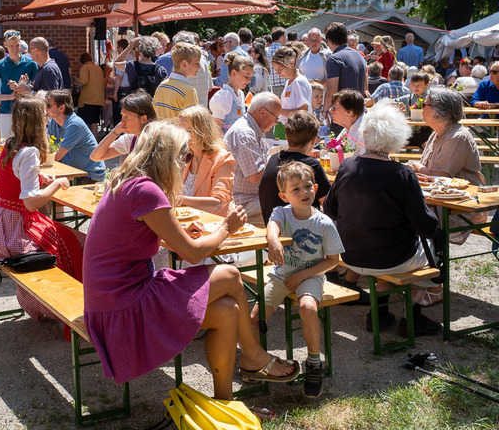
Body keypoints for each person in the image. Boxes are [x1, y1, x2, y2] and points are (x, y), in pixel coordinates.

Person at [82, 121, 298, 401]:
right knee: (231, 275)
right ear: (167, 156)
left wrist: (180, 231)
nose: (186, 162)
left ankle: (225, 400)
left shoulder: (126, 181)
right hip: (124, 306)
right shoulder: (146, 190)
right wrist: (226, 228)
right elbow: (193, 254)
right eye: (184, 156)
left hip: (109, 302)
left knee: (228, 310)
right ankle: (253, 357)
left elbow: (137, 232)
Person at [324, 101, 442, 336]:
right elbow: (424, 225)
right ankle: (412, 316)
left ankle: (379, 314)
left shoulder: (347, 166)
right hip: (391, 257)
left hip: (351, 254)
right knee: (437, 242)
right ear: (397, 138)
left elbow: (330, 209)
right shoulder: (402, 174)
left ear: (365, 134)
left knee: (388, 246)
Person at [0, 96, 84, 323]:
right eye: (43, 115)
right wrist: (57, 183)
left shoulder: (11, 143)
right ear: (36, 120)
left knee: (66, 237)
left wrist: (39, 176)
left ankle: (52, 304)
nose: (46, 119)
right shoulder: (29, 152)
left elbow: (12, 176)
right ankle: (68, 308)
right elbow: (31, 203)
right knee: (75, 242)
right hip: (15, 230)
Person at [251, 162, 342, 398]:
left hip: (310, 275)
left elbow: (333, 260)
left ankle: (314, 362)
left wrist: (302, 275)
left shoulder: (323, 223)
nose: (304, 192)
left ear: (316, 188)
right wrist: (273, 239)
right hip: (282, 274)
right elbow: (272, 226)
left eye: (308, 186)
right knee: (255, 317)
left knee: (308, 307)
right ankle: (255, 360)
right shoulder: (281, 213)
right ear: (284, 196)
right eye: (296, 189)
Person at [409, 88, 486, 245]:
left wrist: (416, 167)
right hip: (438, 201)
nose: (420, 107)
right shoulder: (436, 134)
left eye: (425, 104)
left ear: (440, 110)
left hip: (461, 207)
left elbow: (441, 176)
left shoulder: (458, 137)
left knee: (402, 214)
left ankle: (427, 255)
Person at [259, 111, 331, 224]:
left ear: (287, 137)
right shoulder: (311, 165)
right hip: (303, 230)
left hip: (273, 226)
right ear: (313, 140)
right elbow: (329, 205)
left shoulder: (273, 159)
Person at [224, 92, 282, 225]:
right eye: (275, 118)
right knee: (292, 210)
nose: (276, 123)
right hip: (243, 203)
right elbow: (255, 176)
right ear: (262, 112)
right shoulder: (245, 133)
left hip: (253, 198)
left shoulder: (253, 130)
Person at [176, 106, 234, 216]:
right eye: (181, 131)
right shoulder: (184, 156)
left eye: (188, 131)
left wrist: (180, 199)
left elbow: (218, 203)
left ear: (202, 131)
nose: (183, 136)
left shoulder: (222, 159)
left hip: (215, 222)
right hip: (188, 220)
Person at [0, 30, 38, 139]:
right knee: (7, 143)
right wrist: (10, 96)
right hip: (7, 111)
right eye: (11, 46)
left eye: (17, 45)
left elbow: (38, 91)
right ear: (5, 45)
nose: (14, 49)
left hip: (27, 110)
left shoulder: (31, 63)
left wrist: (25, 87)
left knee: (27, 142)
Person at [46, 90, 106, 182]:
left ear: (61, 108)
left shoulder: (75, 124)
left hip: (89, 175)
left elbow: (57, 157)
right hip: (71, 172)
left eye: (48, 105)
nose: (45, 108)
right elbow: (46, 147)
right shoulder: (52, 122)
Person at [90, 89, 156, 162]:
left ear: (143, 119)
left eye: (127, 117)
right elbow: (95, 157)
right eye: (122, 116)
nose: (122, 121)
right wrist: (115, 132)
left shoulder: (160, 140)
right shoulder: (131, 139)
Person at [324, 22, 368, 127]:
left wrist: (324, 111)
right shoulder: (360, 57)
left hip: (342, 115)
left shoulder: (334, 59)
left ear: (329, 40)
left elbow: (332, 91)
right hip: (359, 113)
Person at [153, 42, 202, 120]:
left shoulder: (162, 85)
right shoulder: (188, 91)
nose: (199, 67)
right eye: (196, 63)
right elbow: (193, 121)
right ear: (184, 64)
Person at [209, 52, 252, 132]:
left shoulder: (240, 93)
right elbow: (216, 128)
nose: (249, 80)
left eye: (250, 77)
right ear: (234, 73)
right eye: (246, 76)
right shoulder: (225, 95)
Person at [271, 46, 312, 124]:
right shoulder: (289, 81)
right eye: (275, 70)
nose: (277, 73)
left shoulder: (298, 82)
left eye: (280, 69)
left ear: (292, 63)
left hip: (298, 127)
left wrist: (279, 111)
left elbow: (303, 112)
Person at [74, 52, 105, 135]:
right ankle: (94, 139)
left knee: (84, 121)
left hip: (88, 99)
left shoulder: (85, 67)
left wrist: (76, 79)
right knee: (94, 121)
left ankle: (85, 139)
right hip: (98, 99)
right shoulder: (98, 68)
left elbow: (84, 81)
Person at [327, 90, 366, 155]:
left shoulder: (364, 131)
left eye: (334, 107)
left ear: (349, 111)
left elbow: (365, 160)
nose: (330, 110)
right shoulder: (347, 128)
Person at [266, 27, 289, 98]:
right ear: (281, 37)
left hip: (271, 87)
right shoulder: (284, 50)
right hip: (284, 85)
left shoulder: (266, 51)